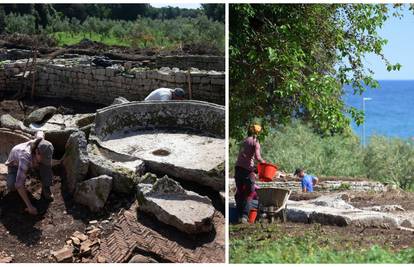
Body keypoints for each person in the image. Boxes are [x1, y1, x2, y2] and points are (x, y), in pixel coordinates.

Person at [5, 131, 54, 215]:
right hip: (15, 166)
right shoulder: (25, 157)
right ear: (37, 152)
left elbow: (40, 132)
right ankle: (25, 191)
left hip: (32, 161)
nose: (45, 160)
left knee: (46, 166)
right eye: (43, 158)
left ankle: (46, 187)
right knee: (12, 185)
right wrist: (30, 207)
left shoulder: (41, 142)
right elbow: (19, 184)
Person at [234, 124, 265, 223]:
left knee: (240, 193)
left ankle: (239, 217)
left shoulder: (244, 140)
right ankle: (244, 217)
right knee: (250, 194)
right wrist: (264, 163)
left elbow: (243, 156)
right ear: (258, 133)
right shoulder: (255, 141)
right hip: (247, 171)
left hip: (238, 169)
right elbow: (257, 157)